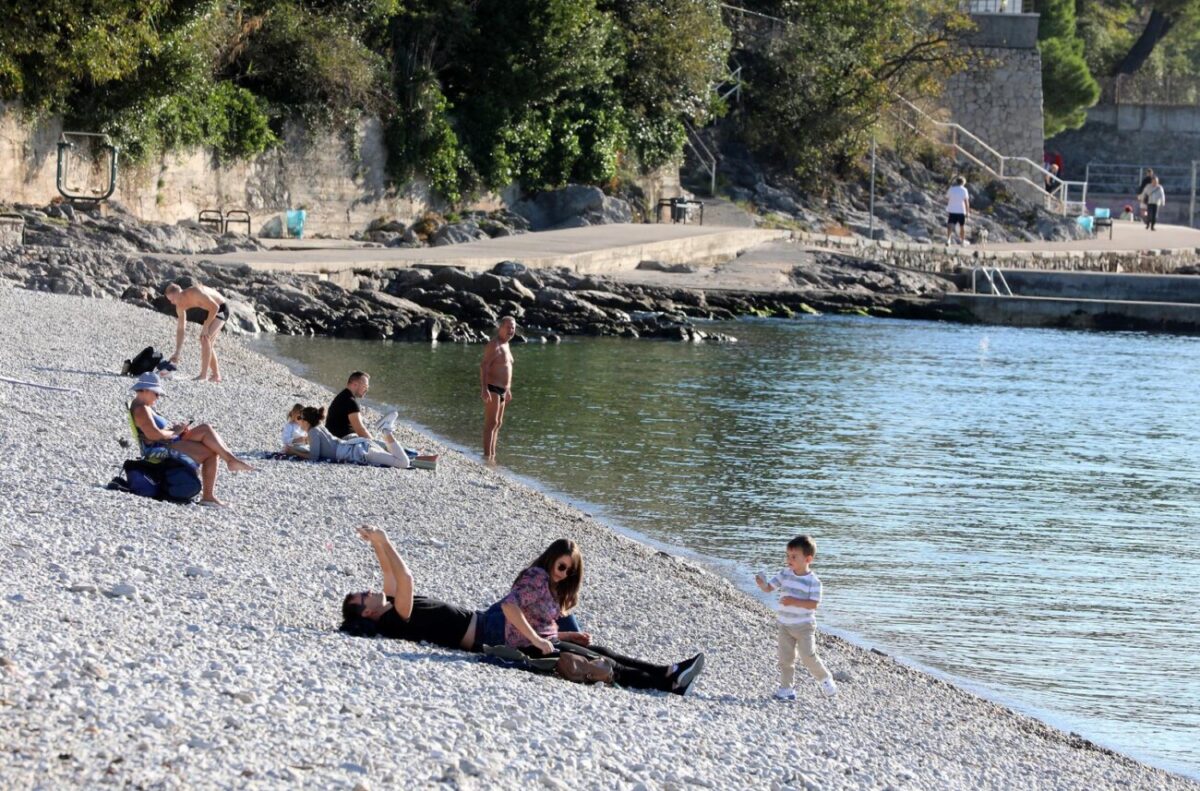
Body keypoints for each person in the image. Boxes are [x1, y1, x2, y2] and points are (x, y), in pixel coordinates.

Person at [501, 538, 706, 695]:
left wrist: (568, 636)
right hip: (528, 649)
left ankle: (670, 671)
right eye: (561, 567)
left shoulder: (550, 584)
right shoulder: (537, 576)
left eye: (569, 572)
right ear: (551, 558)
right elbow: (509, 605)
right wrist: (537, 640)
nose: (563, 575)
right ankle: (669, 684)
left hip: (545, 643)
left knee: (606, 652)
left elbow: (537, 623)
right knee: (606, 663)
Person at [341, 526, 581, 650]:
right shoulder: (394, 618)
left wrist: (375, 542)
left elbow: (388, 572)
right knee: (540, 594)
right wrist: (385, 539)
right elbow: (405, 577)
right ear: (367, 613)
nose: (370, 591)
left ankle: (566, 633)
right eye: (365, 596)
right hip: (486, 633)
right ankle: (571, 640)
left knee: (546, 597)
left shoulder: (391, 603)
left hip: (486, 618)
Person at [127, 372, 253, 507]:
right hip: (158, 448)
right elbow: (154, 435)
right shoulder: (141, 409)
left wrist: (175, 430)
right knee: (210, 451)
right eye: (156, 393)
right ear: (145, 390)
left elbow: (153, 432)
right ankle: (212, 491)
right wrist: (175, 432)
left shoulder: (142, 405)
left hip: (165, 441)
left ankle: (230, 461)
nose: (158, 397)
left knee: (206, 429)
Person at [755, 535, 837, 700]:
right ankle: (787, 689)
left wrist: (794, 601)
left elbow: (813, 604)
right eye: (787, 556)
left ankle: (825, 679)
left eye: (793, 557)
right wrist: (762, 584)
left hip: (805, 626)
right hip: (785, 625)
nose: (789, 560)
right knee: (785, 658)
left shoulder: (814, 582)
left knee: (808, 655)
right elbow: (769, 588)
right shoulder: (785, 574)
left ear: (808, 559)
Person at [287, 406, 437, 469]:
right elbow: (319, 446)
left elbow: (313, 457)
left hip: (360, 452)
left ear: (306, 420)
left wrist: (293, 452)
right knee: (396, 458)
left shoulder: (313, 432)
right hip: (358, 445)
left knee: (402, 463)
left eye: (300, 418)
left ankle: (386, 430)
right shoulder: (318, 428)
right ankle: (427, 462)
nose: (298, 422)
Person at [164, 283, 228, 382]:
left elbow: (215, 307)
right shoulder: (179, 306)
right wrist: (177, 352)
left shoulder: (194, 292)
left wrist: (206, 326)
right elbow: (181, 329)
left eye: (172, 299)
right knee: (208, 342)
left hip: (221, 308)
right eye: (169, 300)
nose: (172, 303)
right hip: (211, 310)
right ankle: (216, 376)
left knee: (205, 338)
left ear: (179, 294)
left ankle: (203, 376)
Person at [480, 316, 516, 460]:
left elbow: (507, 369)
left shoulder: (506, 345)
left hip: (503, 389)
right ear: (500, 328)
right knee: (491, 422)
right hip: (492, 387)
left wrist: (508, 389)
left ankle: (492, 454)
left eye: (513, 328)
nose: (511, 330)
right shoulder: (494, 345)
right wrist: (484, 388)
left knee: (498, 423)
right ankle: (487, 456)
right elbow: (484, 366)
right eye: (508, 327)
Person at [327, 371, 380, 440]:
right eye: (365, 386)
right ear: (355, 384)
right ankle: (387, 429)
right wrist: (373, 443)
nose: (366, 390)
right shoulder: (350, 402)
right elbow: (360, 430)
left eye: (367, 387)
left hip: (336, 439)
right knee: (381, 446)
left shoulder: (343, 396)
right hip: (343, 442)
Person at [945, 176, 970, 247]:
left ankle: (948, 239)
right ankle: (962, 241)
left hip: (952, 210)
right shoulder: (964, 190)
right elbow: (966, 202)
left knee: (950, 224)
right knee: (962, 226)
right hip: (961, 210)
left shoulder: (951, 189)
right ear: (963, 182)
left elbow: (947, 198)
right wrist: (968, 212)